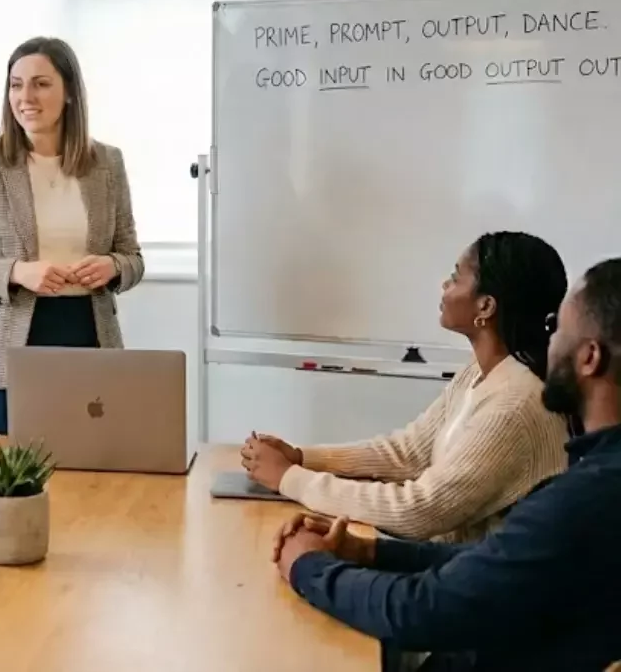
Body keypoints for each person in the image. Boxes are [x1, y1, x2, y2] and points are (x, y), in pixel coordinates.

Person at [271, 257, 621, 672]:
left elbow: (423, 611)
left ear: (589, 358)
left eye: (557, 330)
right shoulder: (595, 478)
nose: (548, 344)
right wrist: (366, 551)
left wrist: (308, 567)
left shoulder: (586, 496)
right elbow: (494, 562)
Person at [242, 232, 570, 542]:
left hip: (479, 590)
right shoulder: (480, 374)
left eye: (456, 277)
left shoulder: (515, 404)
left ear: (486, 306)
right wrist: (302, 458)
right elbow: (409, 453)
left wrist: (289, 478)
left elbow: (418, 510)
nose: (445, 285)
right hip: (447, 569)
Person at [0, 36, 144, 435]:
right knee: (11, 484)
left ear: (69, 93)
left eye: (41, 83)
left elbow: (132, 256)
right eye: (16, 84)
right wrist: (17, 272)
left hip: (89, 337)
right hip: (6, 351)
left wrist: (113, 266)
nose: (25, 96)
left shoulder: (108, 163)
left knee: (89, 479)